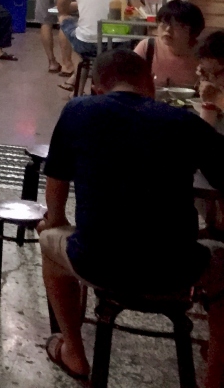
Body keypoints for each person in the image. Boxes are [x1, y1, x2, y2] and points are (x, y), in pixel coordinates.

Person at [37, 49, 224, 383]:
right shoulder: (183, 122)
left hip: (97, 262)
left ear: (97, 87)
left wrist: (55, 222)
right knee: (222, 265)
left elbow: (56, 182)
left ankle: (74, 353)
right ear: (149, 83)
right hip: (177, 268)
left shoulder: (78, 110)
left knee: (50, 242)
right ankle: (215, 377)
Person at [57, 0, 139, 76]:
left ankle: (72, 68)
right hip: (121, 45)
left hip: (89, 45)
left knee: (64, 18)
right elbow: (138, 8)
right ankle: (82, 75)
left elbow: (61, 8)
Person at [133, 0, 205, 89]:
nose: (168, 29)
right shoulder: (148, 47)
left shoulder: (204, 54)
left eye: (177, 25)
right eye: (164, 23)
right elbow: (126, 79)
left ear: (193, 30)